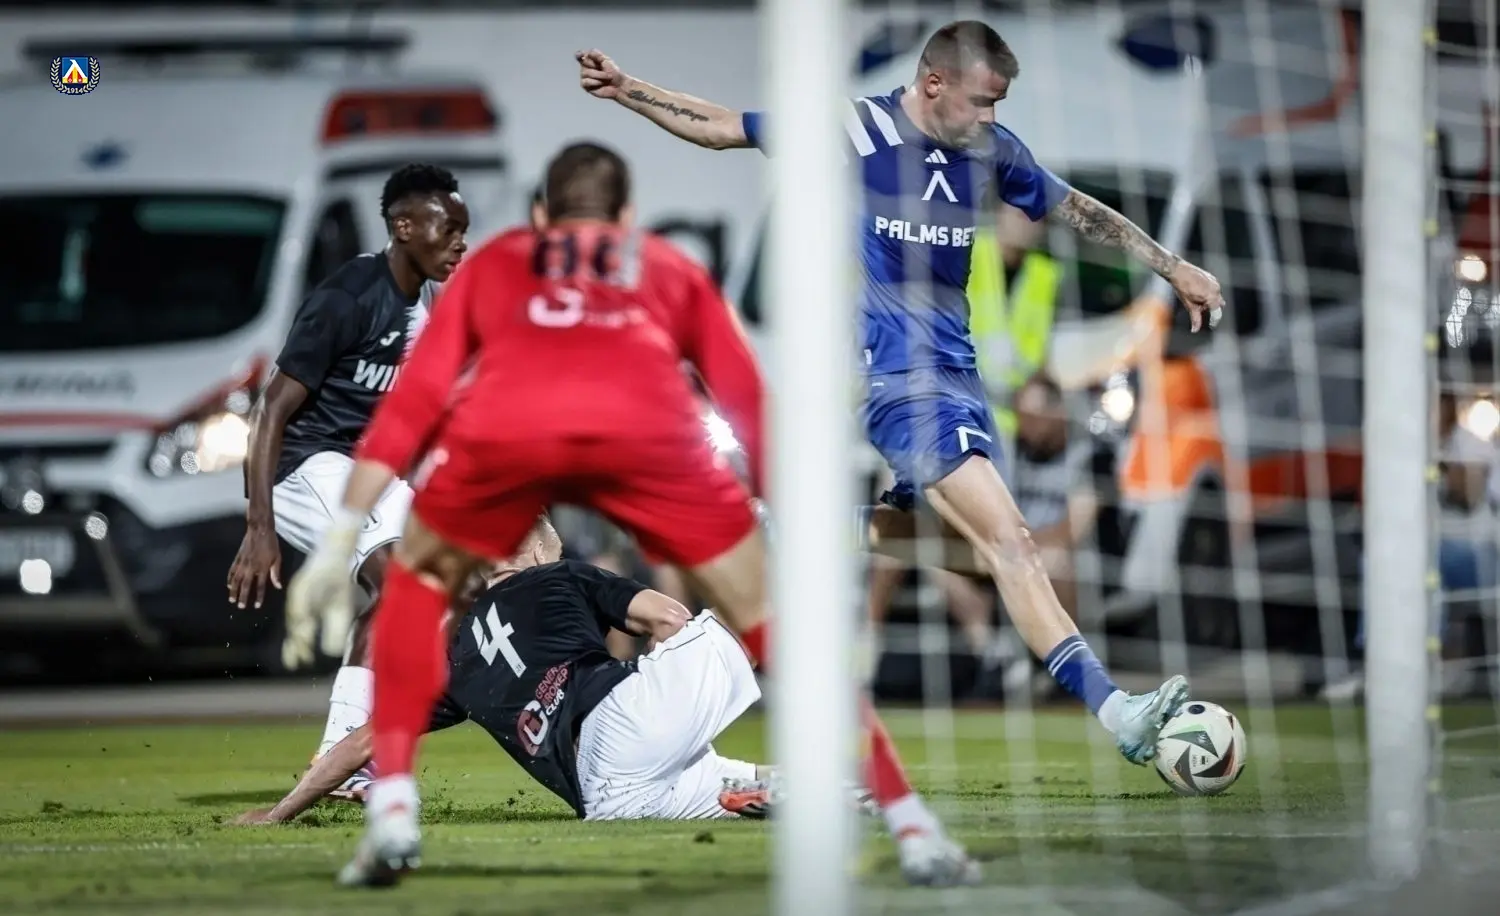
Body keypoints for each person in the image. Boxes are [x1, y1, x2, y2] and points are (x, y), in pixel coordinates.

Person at [284, 142, 971, 888]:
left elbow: (413, 406)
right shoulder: (670, 268)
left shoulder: (495, 266)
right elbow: (747, 402)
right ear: (628, 216)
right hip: (642, 439)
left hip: (516, 441)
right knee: (778, 635)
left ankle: (392, 816)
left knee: (415, 602)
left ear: (540, 216)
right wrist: (786, 515)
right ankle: (911, 825)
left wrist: (343, 537)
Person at [577, 20, 1225, 764]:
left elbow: (1076, 208)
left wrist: (1172, 266)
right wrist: (628, 89)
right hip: (896, 382)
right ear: (933, 82)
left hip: (961, 381)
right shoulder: (858, 129)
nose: (989, 116)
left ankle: (802, 528)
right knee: (1014, 545)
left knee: (979, 556)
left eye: (998, 102)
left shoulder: (990, 149)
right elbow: (724, 127)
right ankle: (1119, 713)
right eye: (981, 100)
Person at [235, 517, 782, 826]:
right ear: (539, 549)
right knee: (756, 607)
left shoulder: (450, 658)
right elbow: (670, 620)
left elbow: (359, 744)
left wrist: (278, 814)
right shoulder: (560, 576)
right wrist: (661, 681)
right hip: (628, 721)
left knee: (766, 786)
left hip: (606, 798)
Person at [225, 164, 469, 798]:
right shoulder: (349, 297)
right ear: (404, 226)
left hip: (364, 472)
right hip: (304, 465)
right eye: (448, 229)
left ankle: (347, 756)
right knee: (397, 582)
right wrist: (259, 526)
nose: (460, 243)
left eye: (464, 230)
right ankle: (341, 760)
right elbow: (269, 411)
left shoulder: (426, 303)